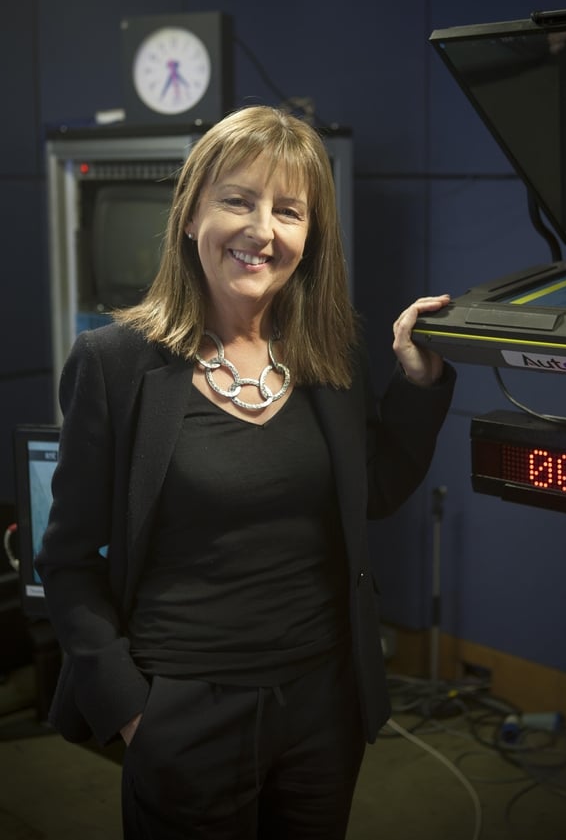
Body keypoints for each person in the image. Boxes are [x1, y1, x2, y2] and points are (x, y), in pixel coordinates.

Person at [36, 104, 456, 840]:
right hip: (182, 710)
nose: (264, 229)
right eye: (239, 199)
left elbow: (377, 491)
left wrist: (417, 384)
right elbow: (67, 559)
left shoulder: (333, 357)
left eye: (289, 210)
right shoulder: (113, 364)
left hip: (323, 704)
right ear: (192, 212)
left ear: (309, 235)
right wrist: (135, 712)